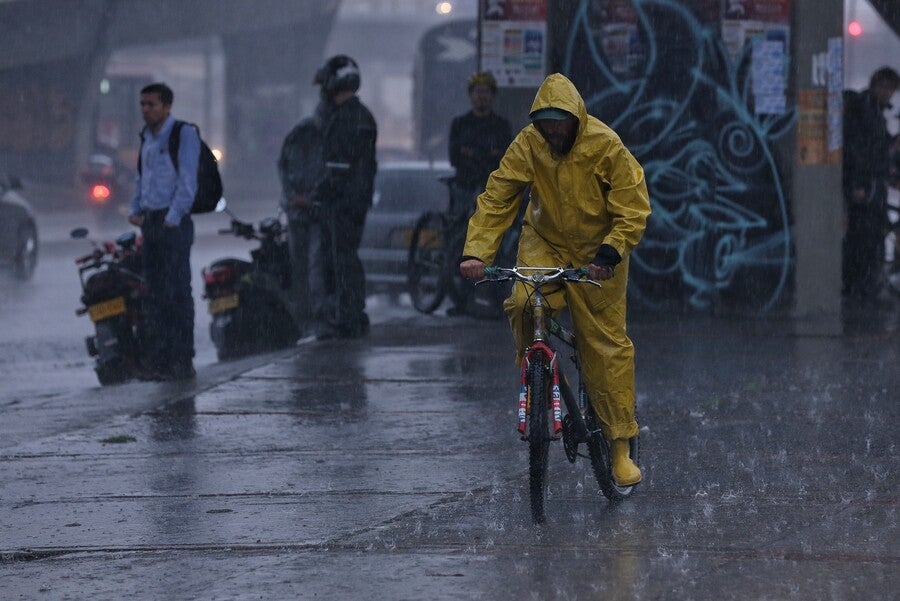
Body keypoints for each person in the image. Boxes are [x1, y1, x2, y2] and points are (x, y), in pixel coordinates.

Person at [459, 73, 651, 486]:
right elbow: (499, 195)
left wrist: (611, 251)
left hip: (597, 254)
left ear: (576, 118)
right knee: (523, 303)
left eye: (559, 121)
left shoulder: (604, 144)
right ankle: (536, 367)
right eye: (545, 122)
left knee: (605, 347)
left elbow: (632, 204)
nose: (552, 130)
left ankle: (620, 447)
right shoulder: (529, 143)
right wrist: (477, 250)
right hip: (543, 242)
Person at [128, 82, 198, 380]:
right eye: (142, 104)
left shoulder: (183, 134)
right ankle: (161, 359)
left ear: (167, 106)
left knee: (177, 292)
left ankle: (182, 359)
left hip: (174, 223)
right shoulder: (146, 138)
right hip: (151, 222)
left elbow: (187, 180)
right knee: (155, 293)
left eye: (151, 104)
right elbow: (142, 178)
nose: (146, 110)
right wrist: (136, 210)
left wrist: (173, 216)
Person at [306, 54, 378, 339]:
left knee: (339, 260)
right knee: (345, 258)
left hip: (343, 202)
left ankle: (345, 317)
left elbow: (339, 166)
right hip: (353, 200)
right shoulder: (359, 115)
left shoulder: (347, 118)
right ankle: (351, 314)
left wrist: (316, 194)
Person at [842, 66, 900, 301]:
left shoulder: (872, 109)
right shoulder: (862, 109)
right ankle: (858, 285)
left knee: (871, 234)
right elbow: (857, 148)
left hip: (872, 184)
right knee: (862, 236)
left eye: (892, 90)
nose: (888, 94)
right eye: (886, 88)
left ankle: (863, 284)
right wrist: (856, 183)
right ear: (876, 85)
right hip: (866, 184)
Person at [448, 72, 512, 216]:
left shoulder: (501, 125)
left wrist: (471, 154)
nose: (482, 97)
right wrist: (486, 155)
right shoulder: (460, 124)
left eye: (486, 92)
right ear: (470, 95)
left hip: (492, 185)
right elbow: (454, 156)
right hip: (464, 184)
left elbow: (506, 156)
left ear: (493, 96)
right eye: (478, 92)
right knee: (460, 224)